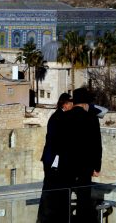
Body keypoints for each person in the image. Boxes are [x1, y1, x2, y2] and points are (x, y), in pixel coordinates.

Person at [64, 87, 102, 223]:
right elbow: (96, 145)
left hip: (67, 165)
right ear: (86, 104)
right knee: (83, 200)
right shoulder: (91, 118)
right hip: (84, 167)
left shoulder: (65, 117)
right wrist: (96, 167)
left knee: (65, 197)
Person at [37, 93, 74, 223]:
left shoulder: (59, 117)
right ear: (65, 104)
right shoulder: (58, 118)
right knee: (51, 190)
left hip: (54, 160)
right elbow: (55, 140)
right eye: (70, 102)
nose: (72, 105)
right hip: (54, 161)